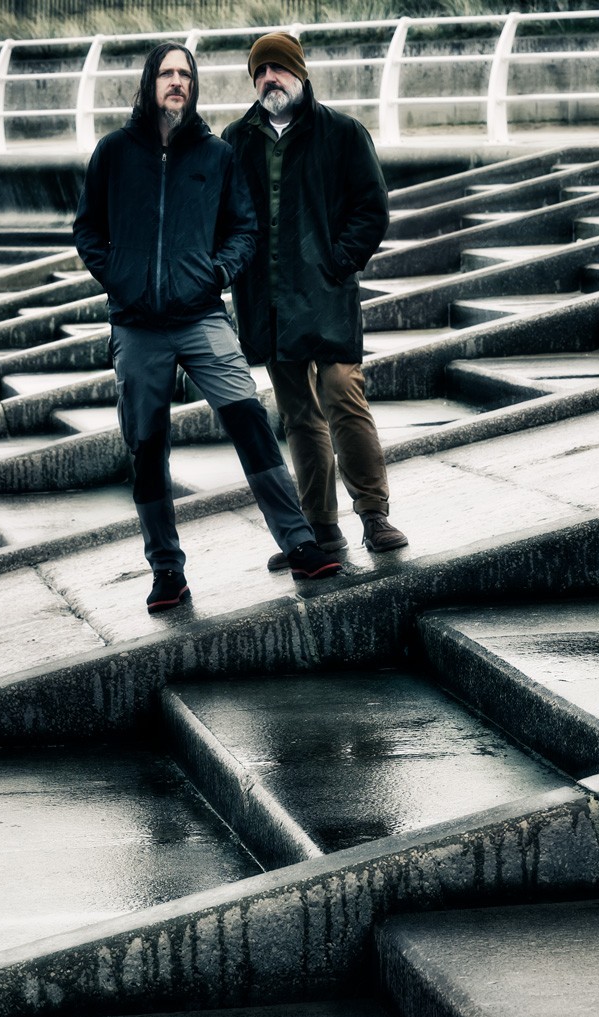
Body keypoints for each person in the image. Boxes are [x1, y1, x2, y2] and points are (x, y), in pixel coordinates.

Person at [74, 41, 344, 615]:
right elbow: (88, 229)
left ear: (193, 86)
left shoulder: (215, 155)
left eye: (185, 75)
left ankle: (298, 542)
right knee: (146, 445)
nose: (177, 82)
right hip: (137, 326)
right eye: (167, 73)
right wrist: (119, 277)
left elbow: (243, 229)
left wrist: (216, 273)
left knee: (248, 416)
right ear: (150, 83)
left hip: (201, 315)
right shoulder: (114, 153)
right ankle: (166, 570)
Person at [222, 32, 409, 571]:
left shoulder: (342, 133)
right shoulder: (236, 140)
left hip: (326, 294)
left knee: (343, 395)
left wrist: (338, 261)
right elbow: (225, 216)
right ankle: (321, 528)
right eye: (260, 72)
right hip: (268, 302)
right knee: (299, 415)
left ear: (300, 74)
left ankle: (374, 514)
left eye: (278, 68)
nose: (269, 79)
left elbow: (371, 208)